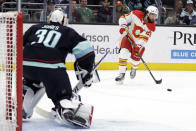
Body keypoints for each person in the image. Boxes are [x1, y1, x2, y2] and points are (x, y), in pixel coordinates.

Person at [22, 9, 95, 128]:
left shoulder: (35, 27)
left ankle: (23, 101)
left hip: (26, 66)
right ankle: (66, 108)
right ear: (63, 21)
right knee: (62, 94)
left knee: (33, 82)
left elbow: (20, 43)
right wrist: (85, 70)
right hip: (51, 68)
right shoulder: (67, 31)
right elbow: (86, 51)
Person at [115, 5, 158, 84]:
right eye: (152, 15)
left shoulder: (151, 27)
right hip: (129, 37)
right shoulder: (136, 14)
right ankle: (121, 74)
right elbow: (123, 17)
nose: (154, 17)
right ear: (147, 13)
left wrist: (138, 46)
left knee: (135, 61)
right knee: (123, 53)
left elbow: (144, 38)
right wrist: (123, 26)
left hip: (138, 43)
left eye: (155, 16)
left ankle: (134, 68)